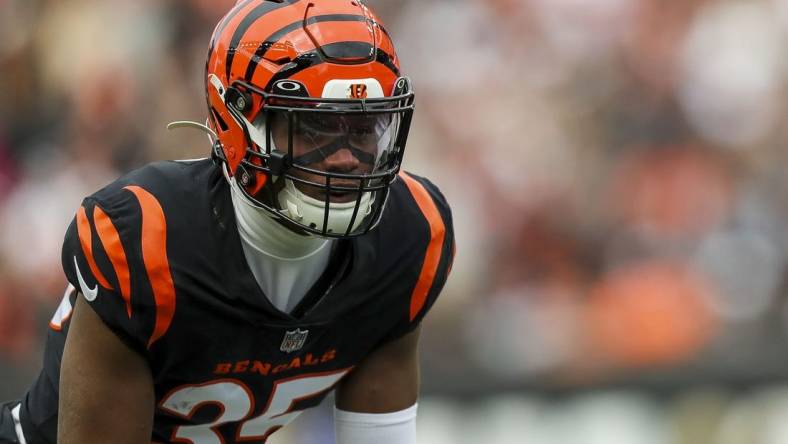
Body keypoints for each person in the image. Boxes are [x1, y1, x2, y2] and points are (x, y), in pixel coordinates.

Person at [0, 1, 455, 443]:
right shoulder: (148, 241)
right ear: (237, 121)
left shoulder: (409, 236)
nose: (344, 158)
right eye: (315, 127)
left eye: (361, 128)